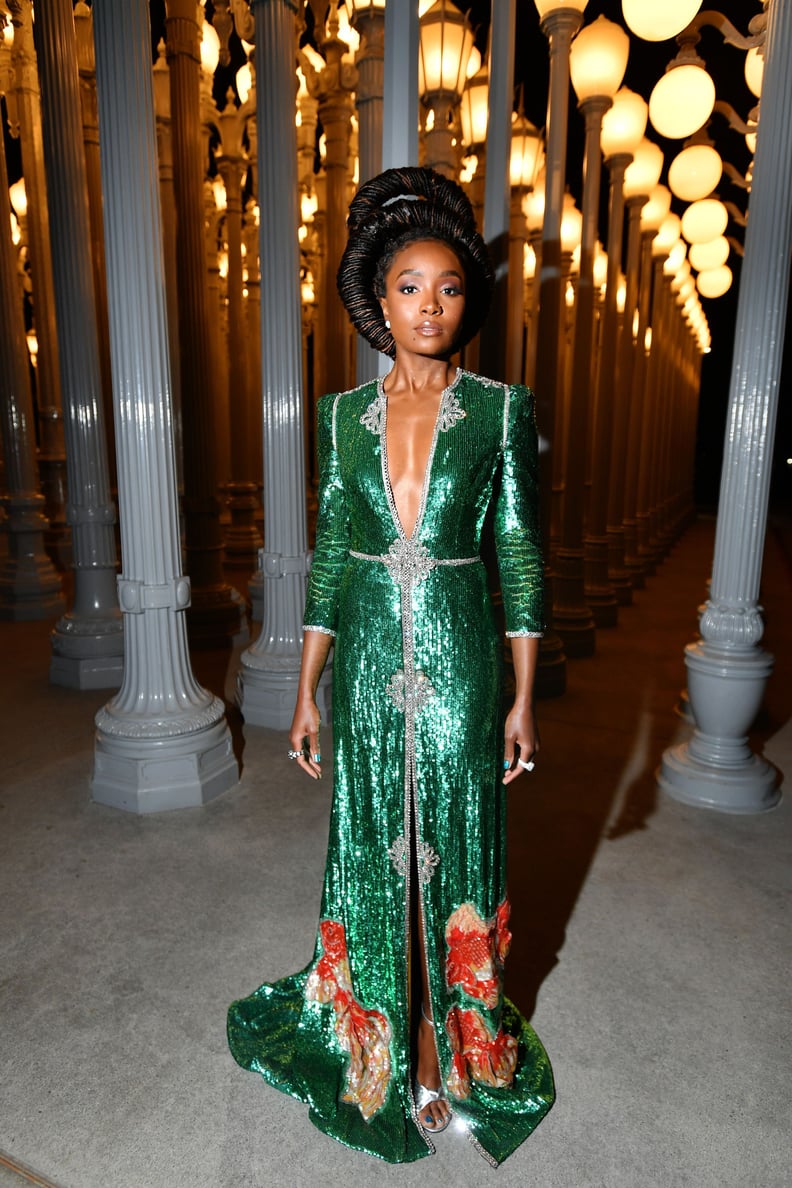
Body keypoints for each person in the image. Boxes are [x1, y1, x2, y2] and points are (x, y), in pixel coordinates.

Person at [227, 166, 554, 1166]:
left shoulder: (501, 411)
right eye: (411, 285)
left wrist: (524, 696)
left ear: (468, 302)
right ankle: (377, 1025)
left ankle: (446, 1037)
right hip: (367, 653)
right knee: (376, 838)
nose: (430, 305)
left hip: (459, 653)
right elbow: (328, 556)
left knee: (451, 839)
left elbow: (522, 556)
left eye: (450, 288)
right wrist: (305, 687)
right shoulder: (337, 417)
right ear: (378, 299)